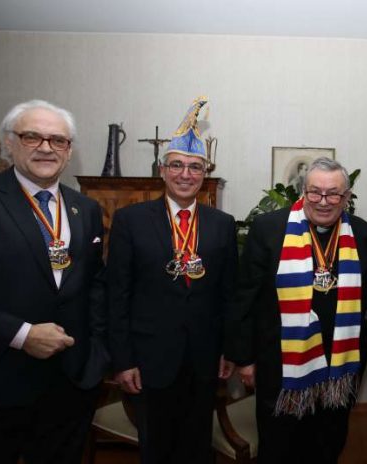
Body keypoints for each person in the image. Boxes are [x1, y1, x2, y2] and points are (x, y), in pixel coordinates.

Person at [0, 100, 108, 463]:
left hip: (70, 386)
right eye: (32, 136)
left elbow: (94, 284)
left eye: (57, 140)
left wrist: (96, 358)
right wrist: (22, 334)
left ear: (69, 150)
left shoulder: (86, 209)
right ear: (9, 142)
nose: (46, 147)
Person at [108, 96, 238, 464]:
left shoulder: (222, 225)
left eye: (195, 167)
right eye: (177, 165)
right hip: (149, 361)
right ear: (162, 171)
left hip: (204, 358)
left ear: (205, 173)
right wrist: (123, 359)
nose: (186, 174)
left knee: (198, 445)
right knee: (157, 446)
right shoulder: (130, 221)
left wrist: (227, 349)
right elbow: (117, 294)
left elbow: (228, 294)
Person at [225, 157, 367, 464]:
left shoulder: (363, 234)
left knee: (328, 445)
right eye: (315, 192)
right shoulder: (269, 229)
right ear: (303, 192)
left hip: (340, 369)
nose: (323, 202)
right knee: (279, 448)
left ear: (346, 197)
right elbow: (245, 297)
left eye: (333, 193)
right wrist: (244, 359)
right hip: (280, 367)